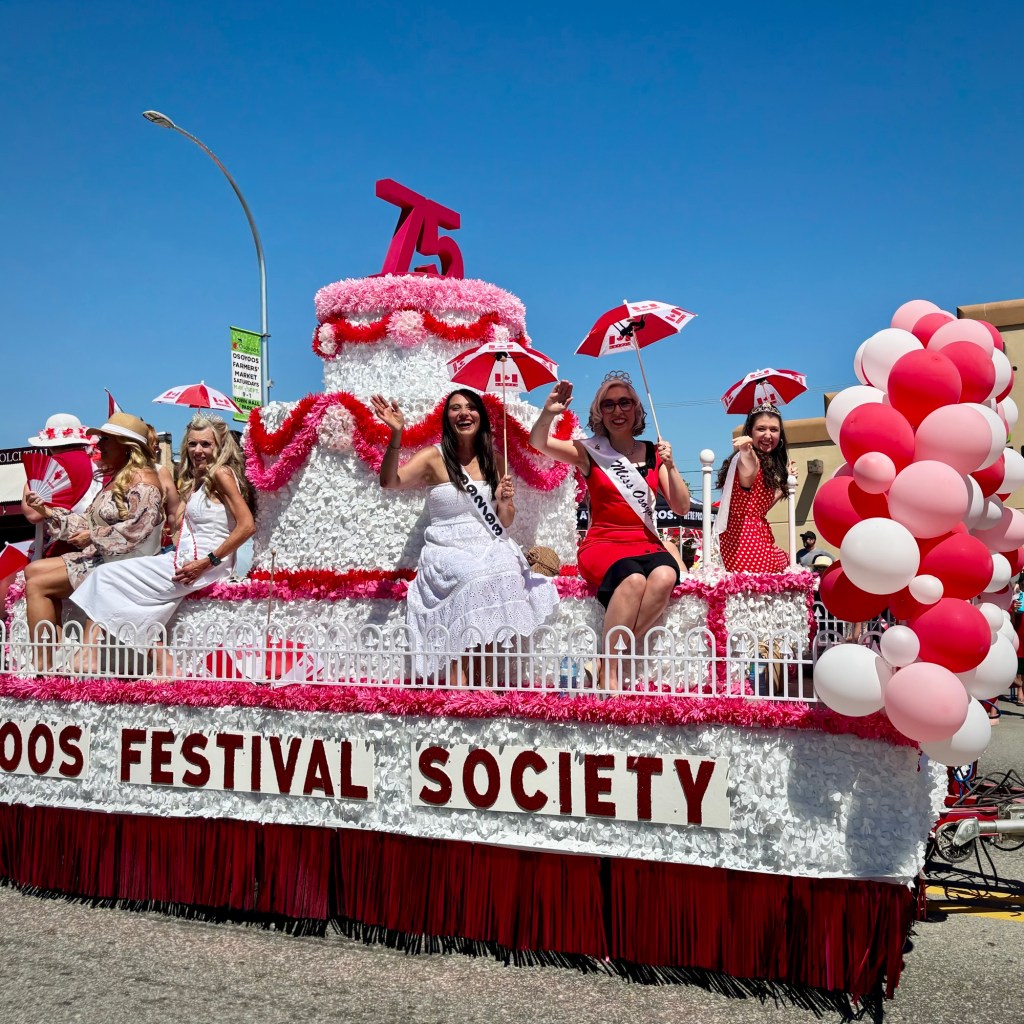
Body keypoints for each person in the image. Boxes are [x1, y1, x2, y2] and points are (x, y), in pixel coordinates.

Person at [372, 388, 557, 684]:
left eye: (470, 407)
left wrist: (504, 500)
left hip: (487, 543)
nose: (463, 413)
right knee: (471, 576)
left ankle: (480, 679)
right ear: (448, 418)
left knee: (503, 570)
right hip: (447, 548)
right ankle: (459, 678)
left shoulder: (495, 459)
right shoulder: (433, 457)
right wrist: (397, 434)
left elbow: (505, 520)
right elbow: (390, 481)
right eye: (455, 408)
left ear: (481, 417)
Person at [529, 373, 690, 689]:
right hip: (604, 544)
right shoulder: (590, 451)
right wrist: (549, 412)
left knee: (666, 576)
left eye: (625, 403)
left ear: (637, 410)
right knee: (632, 579)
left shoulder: (655, 453)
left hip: (645, 542)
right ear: (599, 413)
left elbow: (682, 507)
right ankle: (612, 675)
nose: (618, 411)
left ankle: (603, 661)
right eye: (609, 404)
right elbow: (538, 443)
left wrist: (671, 466)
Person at [70, 413, 256, 677]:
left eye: (205, 444)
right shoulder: (200, 480)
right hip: (189, 560)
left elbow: (247, 526)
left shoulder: (222, 474)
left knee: (104, 577)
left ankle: (103, 655)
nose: (198, 451)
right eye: (192, 444)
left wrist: (208, 562)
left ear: (219, 445)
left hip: (206, 564)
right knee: (112, 584)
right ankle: (161, 661)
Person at [23, 413, 164, 670]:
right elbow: (87, 523)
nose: (98, 445)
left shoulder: (144, 483)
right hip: (107, 557)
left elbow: (136, 531)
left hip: (126, 564)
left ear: (125, 446)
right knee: (32, 571)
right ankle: (49, 661)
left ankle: (42, 668)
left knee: (38, 583)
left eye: (105, 439)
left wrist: (93, 536)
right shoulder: (119, 478)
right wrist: (46, 511)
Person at [715, 403, 797, 573]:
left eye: (774, 429)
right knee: (794, 567)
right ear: (750, 432)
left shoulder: (767, 466)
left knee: (792, 563)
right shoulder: (750, 461)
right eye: (761, 429)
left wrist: (786, 483)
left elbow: (758, 508)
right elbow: (749, 465)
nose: (768, 435)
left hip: (743, 545)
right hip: (747, 549)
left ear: (780, 435)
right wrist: (746, 450)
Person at [145, 423, 181, 550]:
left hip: (161, 545)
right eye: (152, 442)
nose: (156, 447)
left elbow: (173, 514)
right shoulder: (119, 473)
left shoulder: (161, 471)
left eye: (157, 442)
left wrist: (177, 541)